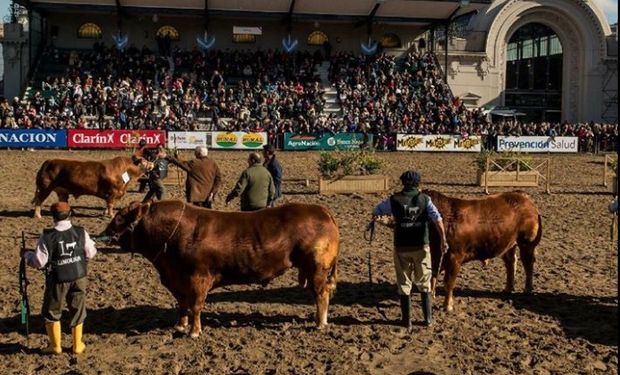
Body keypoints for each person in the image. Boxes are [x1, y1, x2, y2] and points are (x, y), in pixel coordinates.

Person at [372, 171, 449, 328]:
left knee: (404, 281)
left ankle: (406, 320)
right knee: (424, 281)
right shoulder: (425, 200)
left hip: (401, 246)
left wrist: (384, 221)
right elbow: (438, 219)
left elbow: (377, 210)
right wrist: (443, 240)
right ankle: (427, 319)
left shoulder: (394, 199)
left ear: (403, 183)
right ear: (418, 183)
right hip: (421, 245)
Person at [21, 202, 97, 354]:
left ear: (53, 217)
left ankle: (55, 346)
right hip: (79, 276)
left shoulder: (47, 236)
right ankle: (77, 345)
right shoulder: (81, 231)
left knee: (52, 311)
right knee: (78, 309)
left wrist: (26, 255)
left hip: (58, 279)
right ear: (70, 215)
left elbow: (39, 262)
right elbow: (91, 253)